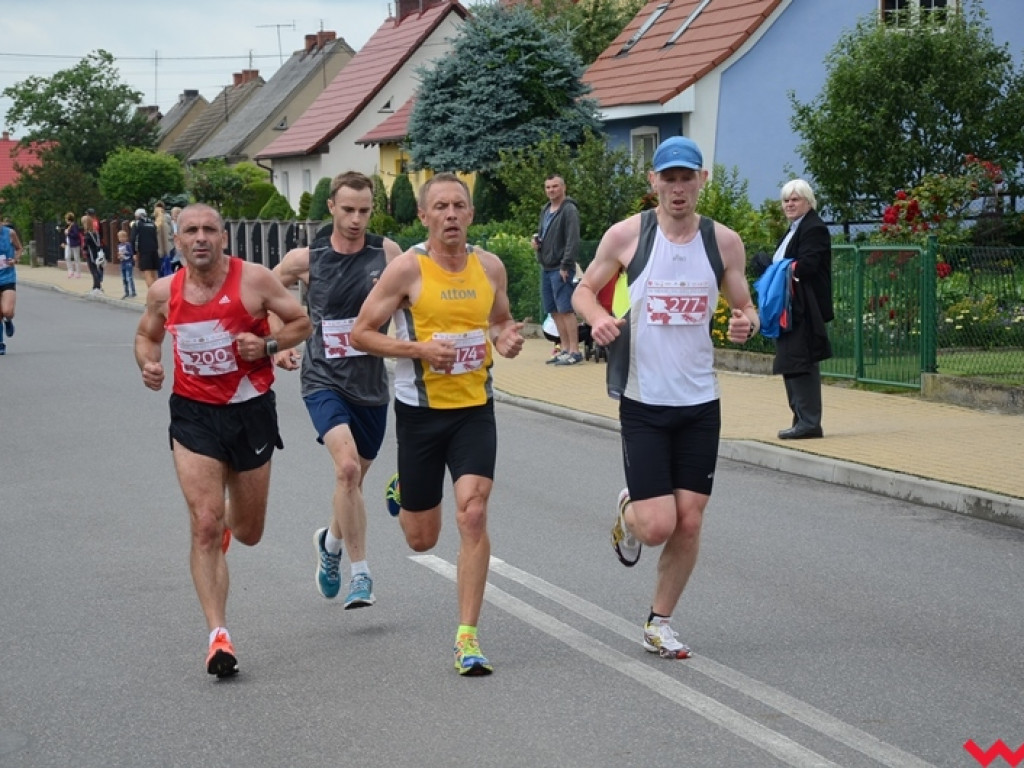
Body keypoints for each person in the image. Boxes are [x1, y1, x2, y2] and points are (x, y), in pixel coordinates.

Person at [572, 136, 760, 660]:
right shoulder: (628, 236)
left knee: (691, 519)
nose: (678, 188)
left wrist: (748, 323)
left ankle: (660, 621)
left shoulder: (723, 242)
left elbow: (745, 305)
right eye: (668, 178)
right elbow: (583, 292)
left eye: (687, 177)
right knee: (657, 525)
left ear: (702, 180)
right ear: (653, 182)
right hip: (644, 398)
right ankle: (628, 511)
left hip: (700, 399)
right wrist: (599, 318)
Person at [350, 173, 525, 676]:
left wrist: (506, 338)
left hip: (474, 410)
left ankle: (467, 636)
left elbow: (500, 320)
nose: (451, 214)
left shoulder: (489, 266)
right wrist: (417, 349)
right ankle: (405, 485)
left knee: (473, 514)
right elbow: (362, 333)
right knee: (421, 539)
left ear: (470, 214)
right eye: (440, 207)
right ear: (423, 216)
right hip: (421, 415)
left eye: (459, 206)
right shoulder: (406, 270)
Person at [134, 203, 312, 678]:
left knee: (249, 532)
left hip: (250, 414)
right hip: (193, 416)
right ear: (177, 242)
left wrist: (269, 346)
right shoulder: (162, 291)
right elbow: (146, 336)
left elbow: (301, 323)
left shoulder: (254, 280)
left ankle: (231, 525)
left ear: (224, 237)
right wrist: (149, 364)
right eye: (190, 230)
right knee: (205, 523)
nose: (200, 238)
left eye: (209, 229)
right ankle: (218, 636)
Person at [271, 171, 401, 608]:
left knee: (354, 484)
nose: (356, 219)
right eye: (348, 210)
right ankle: (360, 574)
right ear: (331, 207)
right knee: (346, 471)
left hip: (370, 385)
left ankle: (329, 544)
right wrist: (278, 344)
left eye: (364, 211)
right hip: (323, 378)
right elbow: (265, 295)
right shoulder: (307, 257)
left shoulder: (388, 254)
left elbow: (413, 304)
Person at [768, 179, 833, 439]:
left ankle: (809, 422)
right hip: (790, 306)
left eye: (795, 199)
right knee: (790, 360)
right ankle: (800, 418)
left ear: (809, 201)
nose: (789, 204)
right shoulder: (795, 229)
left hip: (805, 307)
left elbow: (806, 265)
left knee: (801, 360)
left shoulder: (813, 228)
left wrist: (774, 268)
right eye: (786, 200)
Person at [532, 174, 582, 365]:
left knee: (566, 309)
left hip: (561, 267)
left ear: (563, 187)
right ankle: (565, 348)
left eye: (555, 186)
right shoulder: (545, 209)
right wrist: (538, 244)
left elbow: (572, 239)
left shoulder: (569, 210)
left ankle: (575, 351)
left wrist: (566, 264)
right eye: (548, 187)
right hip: (546, 266)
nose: (551, 190)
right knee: (553, 311)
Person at [0, 214, 24, 355]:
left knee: (7, 311)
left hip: (7, 277)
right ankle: (0, 343)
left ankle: (8, 320)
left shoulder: (10, 233)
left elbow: (19, 248)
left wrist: (15, 260)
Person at [132, 207, 160, 288]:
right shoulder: (152, 223)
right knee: (154, 273)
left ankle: (152, 293)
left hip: (144, 251)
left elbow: (133, 239)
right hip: (154, 250)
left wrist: (134, 252)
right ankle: (158, 292)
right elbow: (155, 237)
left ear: (137, 216)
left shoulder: (137, 224)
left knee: (147, 273)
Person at [82, 210, 105, 295]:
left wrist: (84, 248)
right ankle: (95, 286)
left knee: (93, 270)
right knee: (96, 269)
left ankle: (97, 287)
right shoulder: (95, 233)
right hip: (96, 252)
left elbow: (86, 245)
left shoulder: (88, 234)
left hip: (91, 254)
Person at [116, 228, 137, 299]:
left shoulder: (128, 245)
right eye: (120, 237)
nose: (121, 239)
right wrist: (119, 256)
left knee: (129, 278)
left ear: (126, 237)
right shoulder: (119, 246)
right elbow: (119, 254)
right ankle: (126, 292)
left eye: (123, 237)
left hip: (128, 263)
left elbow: (131, 253)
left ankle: (133, 292)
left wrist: (125, 254)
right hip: (122, 263)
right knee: (124, 278)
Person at [64, 212, 83, 279]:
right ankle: (70, 271)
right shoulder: (68, 226)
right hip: (68, 244)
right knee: (67, 257)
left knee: (76, 258)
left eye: (66, 219)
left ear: (69, 219)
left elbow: (75, 235)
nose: (65, 220)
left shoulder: (74, 226)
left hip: (75, 244)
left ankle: (78, 272)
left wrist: (68, 233)